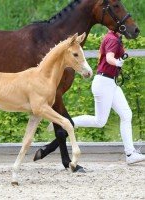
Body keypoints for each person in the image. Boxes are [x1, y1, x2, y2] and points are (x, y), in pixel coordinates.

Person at [35, 30, 145, 164]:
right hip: (105, 83)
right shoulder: (112, 39)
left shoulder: (114, 37)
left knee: (126, 114)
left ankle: (130, 153)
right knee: (100, 121)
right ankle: (66, 123)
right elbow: (110, 58)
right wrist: (118, 62)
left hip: (111, 83)